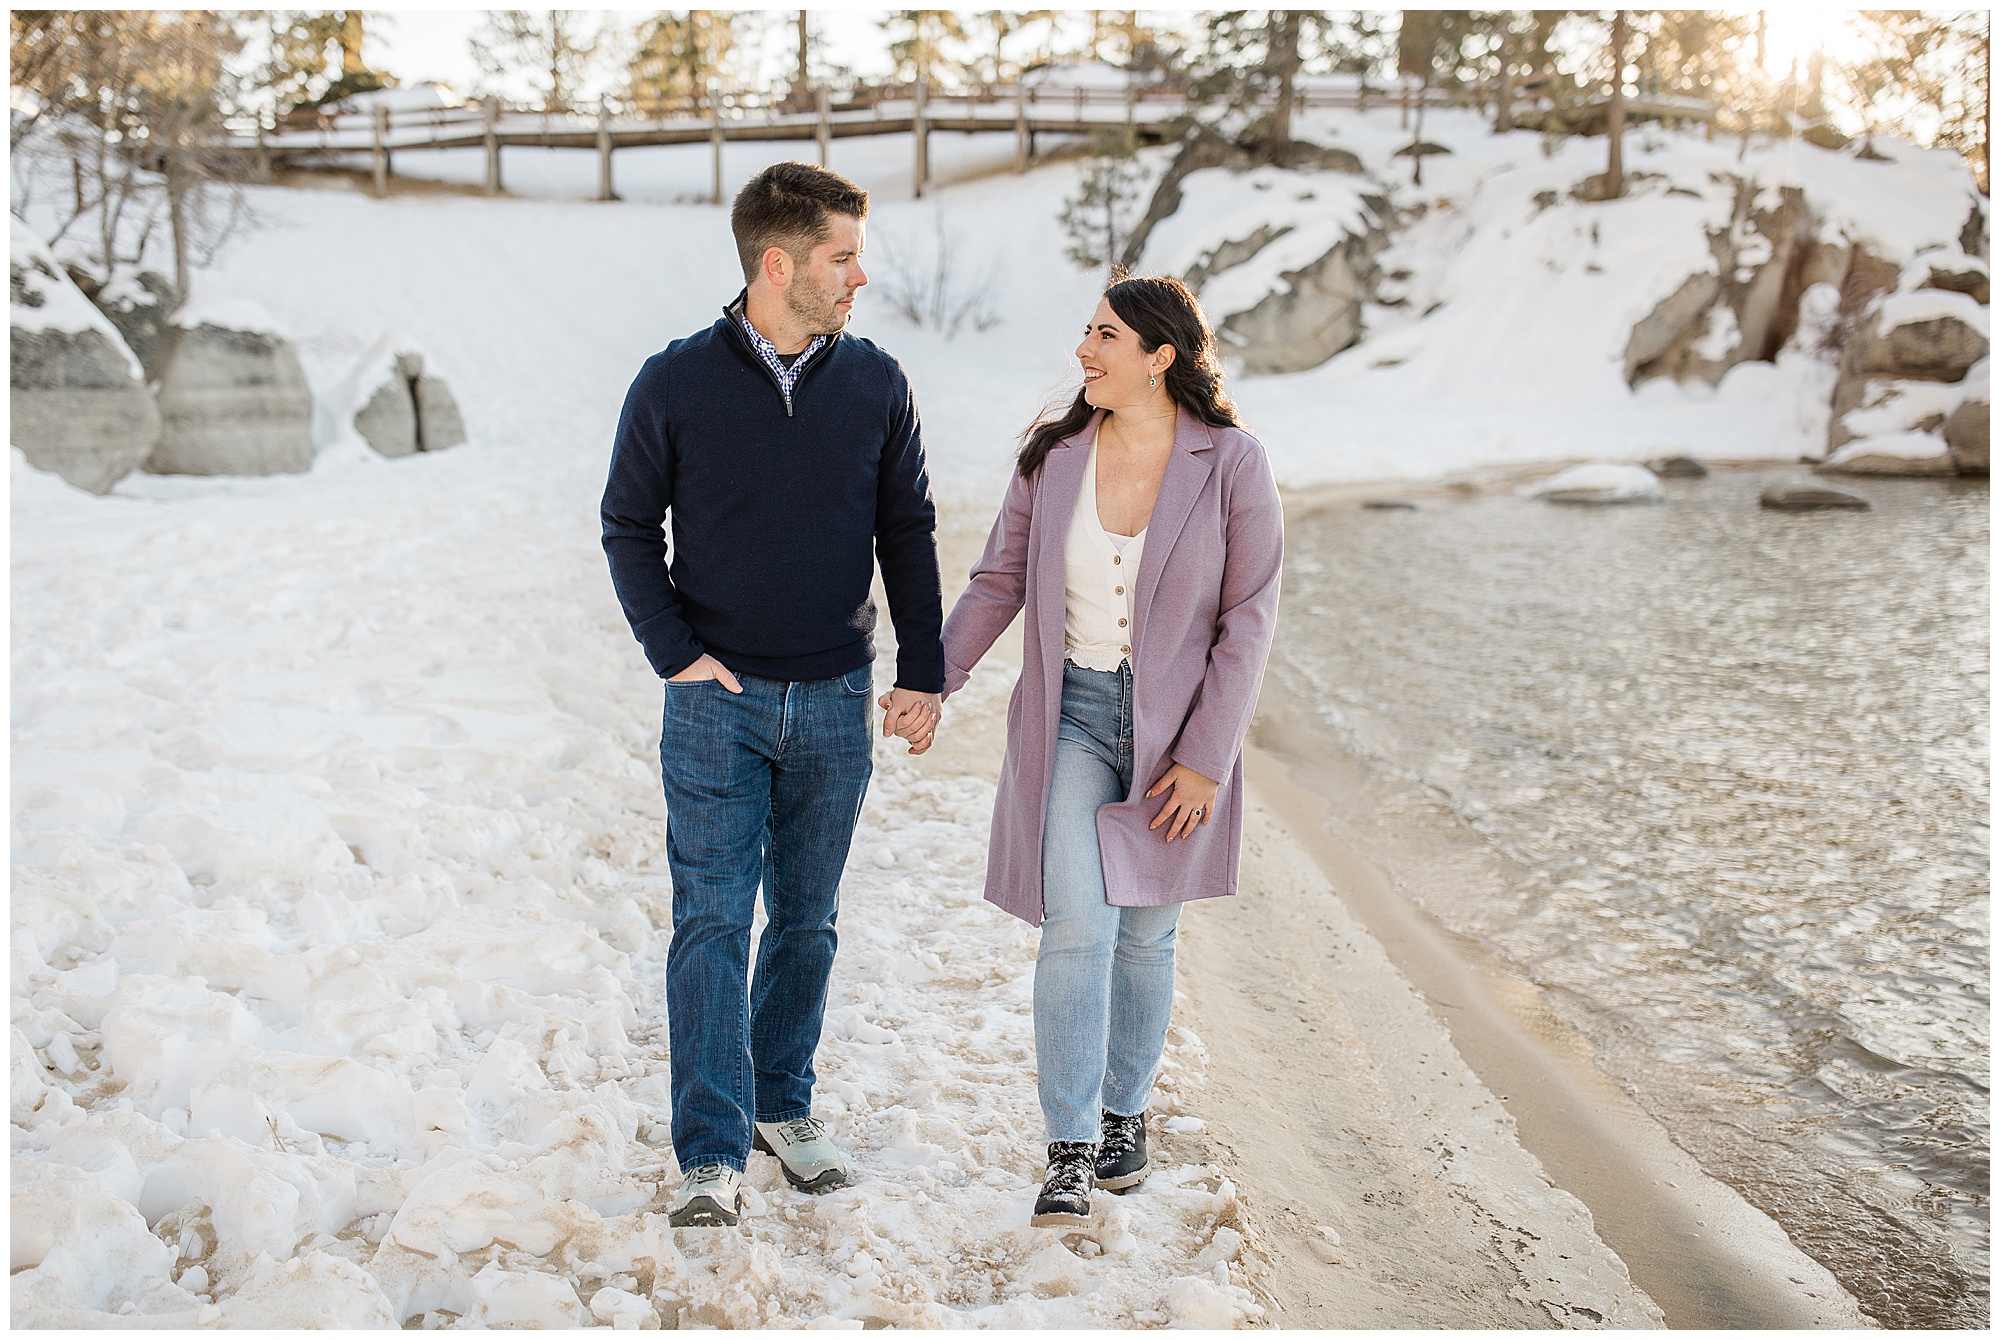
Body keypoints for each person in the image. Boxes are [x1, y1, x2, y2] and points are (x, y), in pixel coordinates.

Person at [601, 161, 944, 1228]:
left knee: (806, 918)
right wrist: (671, 650)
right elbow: (625, 524)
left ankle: (779, 1106)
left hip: (837, 699)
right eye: (844, 256)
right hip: (718, 699)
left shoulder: (877, 381)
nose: (859, 277)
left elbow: (908, 531)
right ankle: (708, 1146)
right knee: (710, 918)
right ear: (778, 261)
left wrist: (922, 668)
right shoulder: (674, 381)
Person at [905, 275, 1282, 1227]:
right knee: (1080, 924)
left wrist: (1205, 758)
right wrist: (932, 680)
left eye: (1105, 336)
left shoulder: (1231, 463)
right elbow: (998, 581)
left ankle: (1126, 1115)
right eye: (1085, 331)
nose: (1084, 350)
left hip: (1176, 736)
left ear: (1161, 357)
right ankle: (1068, 1147)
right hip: (1069, 717)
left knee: (1149, 935)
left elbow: (1249, 621)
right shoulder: (1054, 457)